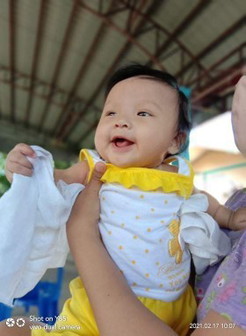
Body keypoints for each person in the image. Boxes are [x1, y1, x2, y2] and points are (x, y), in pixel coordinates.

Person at [2, 66, 246, 336]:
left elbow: (202, 201)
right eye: (111, 113)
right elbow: (53, 182)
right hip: (96, 305)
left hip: (175, 306)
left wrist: (228, 217)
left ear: (175, 141)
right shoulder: (96, 168)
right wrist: (28, 171)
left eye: (142, 113)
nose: (121, 121)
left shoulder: (177, 176)